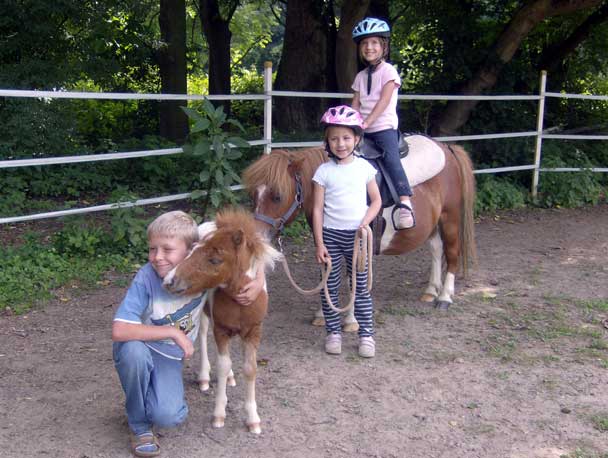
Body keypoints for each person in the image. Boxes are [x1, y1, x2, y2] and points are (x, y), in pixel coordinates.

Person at [112, 210, 265, 457]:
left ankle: (151, 395)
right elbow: (119, 330)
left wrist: (258, 279)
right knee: (133, 354)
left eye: (167, 250)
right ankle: (138, 425)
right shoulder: (146, 278)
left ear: (190, 250)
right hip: (140, 345)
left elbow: (239, 258)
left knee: (169, 415)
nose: (157, 257)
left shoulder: (200, 273)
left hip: (169, 357)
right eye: (152, 249)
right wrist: (172, 332)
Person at [312, 105, 382, 358]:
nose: (340, 143)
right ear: (327, 142)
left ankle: (366, 335)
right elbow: (318, 210)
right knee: (329, 287)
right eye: (334, 138)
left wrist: (365, 222)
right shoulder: (323, 172)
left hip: (357, 237)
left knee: (360, 287)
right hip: (331, 235)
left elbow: (376, 201)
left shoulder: (365, 168)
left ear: (357, 139)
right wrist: (319, 244)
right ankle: (333, 332)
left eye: (345, 138)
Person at [351, 17, 415, 229]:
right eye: (365, 43)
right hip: (363, 129)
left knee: (391, 159)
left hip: (383, 127)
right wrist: (350, 123)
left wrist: (366, 122)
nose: (369, 47)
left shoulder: (388, 71)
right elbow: (356, 103)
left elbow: (384, 101)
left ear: (384, 46)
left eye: (374, 43)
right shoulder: (360, 76)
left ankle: (405, 202)